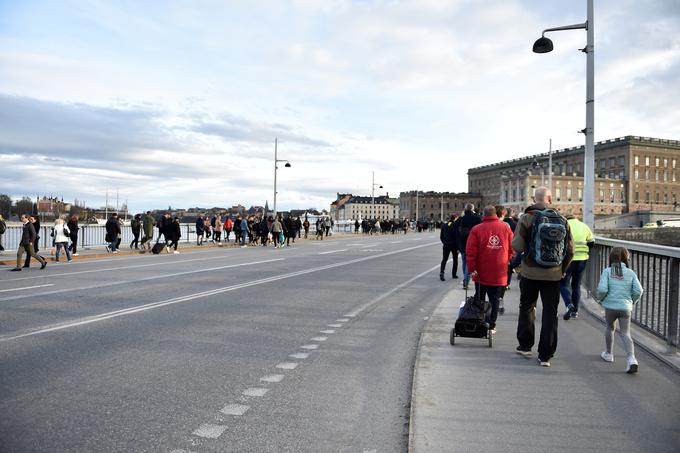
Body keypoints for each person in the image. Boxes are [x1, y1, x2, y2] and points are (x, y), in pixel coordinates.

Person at [512, 187, 574, 367]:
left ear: (534, 198)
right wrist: (562, 268)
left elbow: (517, 246)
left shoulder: (527, 217)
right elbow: (570, 250)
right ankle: (545, 355)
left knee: (527, 307)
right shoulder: (562, 219)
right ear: (550, 199)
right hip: (553, 274)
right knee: (550, 313)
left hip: (530, 272)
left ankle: (525, 345)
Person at [466, 206, 514, 333]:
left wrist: (472, 269)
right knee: (495, 299)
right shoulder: (506, 228)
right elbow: (513, 248)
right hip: (499, 271)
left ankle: (479, 322)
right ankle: (492, 325)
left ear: (484, 215)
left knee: (480, 298)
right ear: (496, 215)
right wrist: (506, 259)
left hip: (481, 272)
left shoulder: (476, 229)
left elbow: (470, 252)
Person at [596, 246, 643, 374]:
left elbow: (602, 289)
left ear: (611, 257)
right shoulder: (631, 273)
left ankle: (609, 354)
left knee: (610, 328)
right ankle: (631, 359)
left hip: (610, 307)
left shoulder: (607, 271)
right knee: (625, 333)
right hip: (625, 308)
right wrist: (632, 301)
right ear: (626, 258)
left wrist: (601, 299)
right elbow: (639, 291)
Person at [561, 214, 594, 320]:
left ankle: (568, 304)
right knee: (576, 285)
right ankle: (575, 311)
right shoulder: (583, 226)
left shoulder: (564, 225)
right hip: (582, 259)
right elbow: (591, 242)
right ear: (576, 218)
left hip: (567, 260)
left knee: (563, 284)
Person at [455, 203, 482, 290]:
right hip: (474, 244)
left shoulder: (461, 219)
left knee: (464, 262)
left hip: (463, 244)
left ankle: (465, 279)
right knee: (469, 263)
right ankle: (466, 280)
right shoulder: (477, 218)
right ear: (473, 209)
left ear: (465, 209)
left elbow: (456, 232)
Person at [439, 214, 459, 281]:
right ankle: (454, 274)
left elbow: (441, 236)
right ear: (455, 218)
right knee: (455, 260)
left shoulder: (444, 225)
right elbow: (457, 237)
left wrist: (444, 242)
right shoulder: (456, 226)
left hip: (446, 244)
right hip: (454, 245)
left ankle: (442, 272)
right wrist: (459, 247)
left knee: (444, 259)